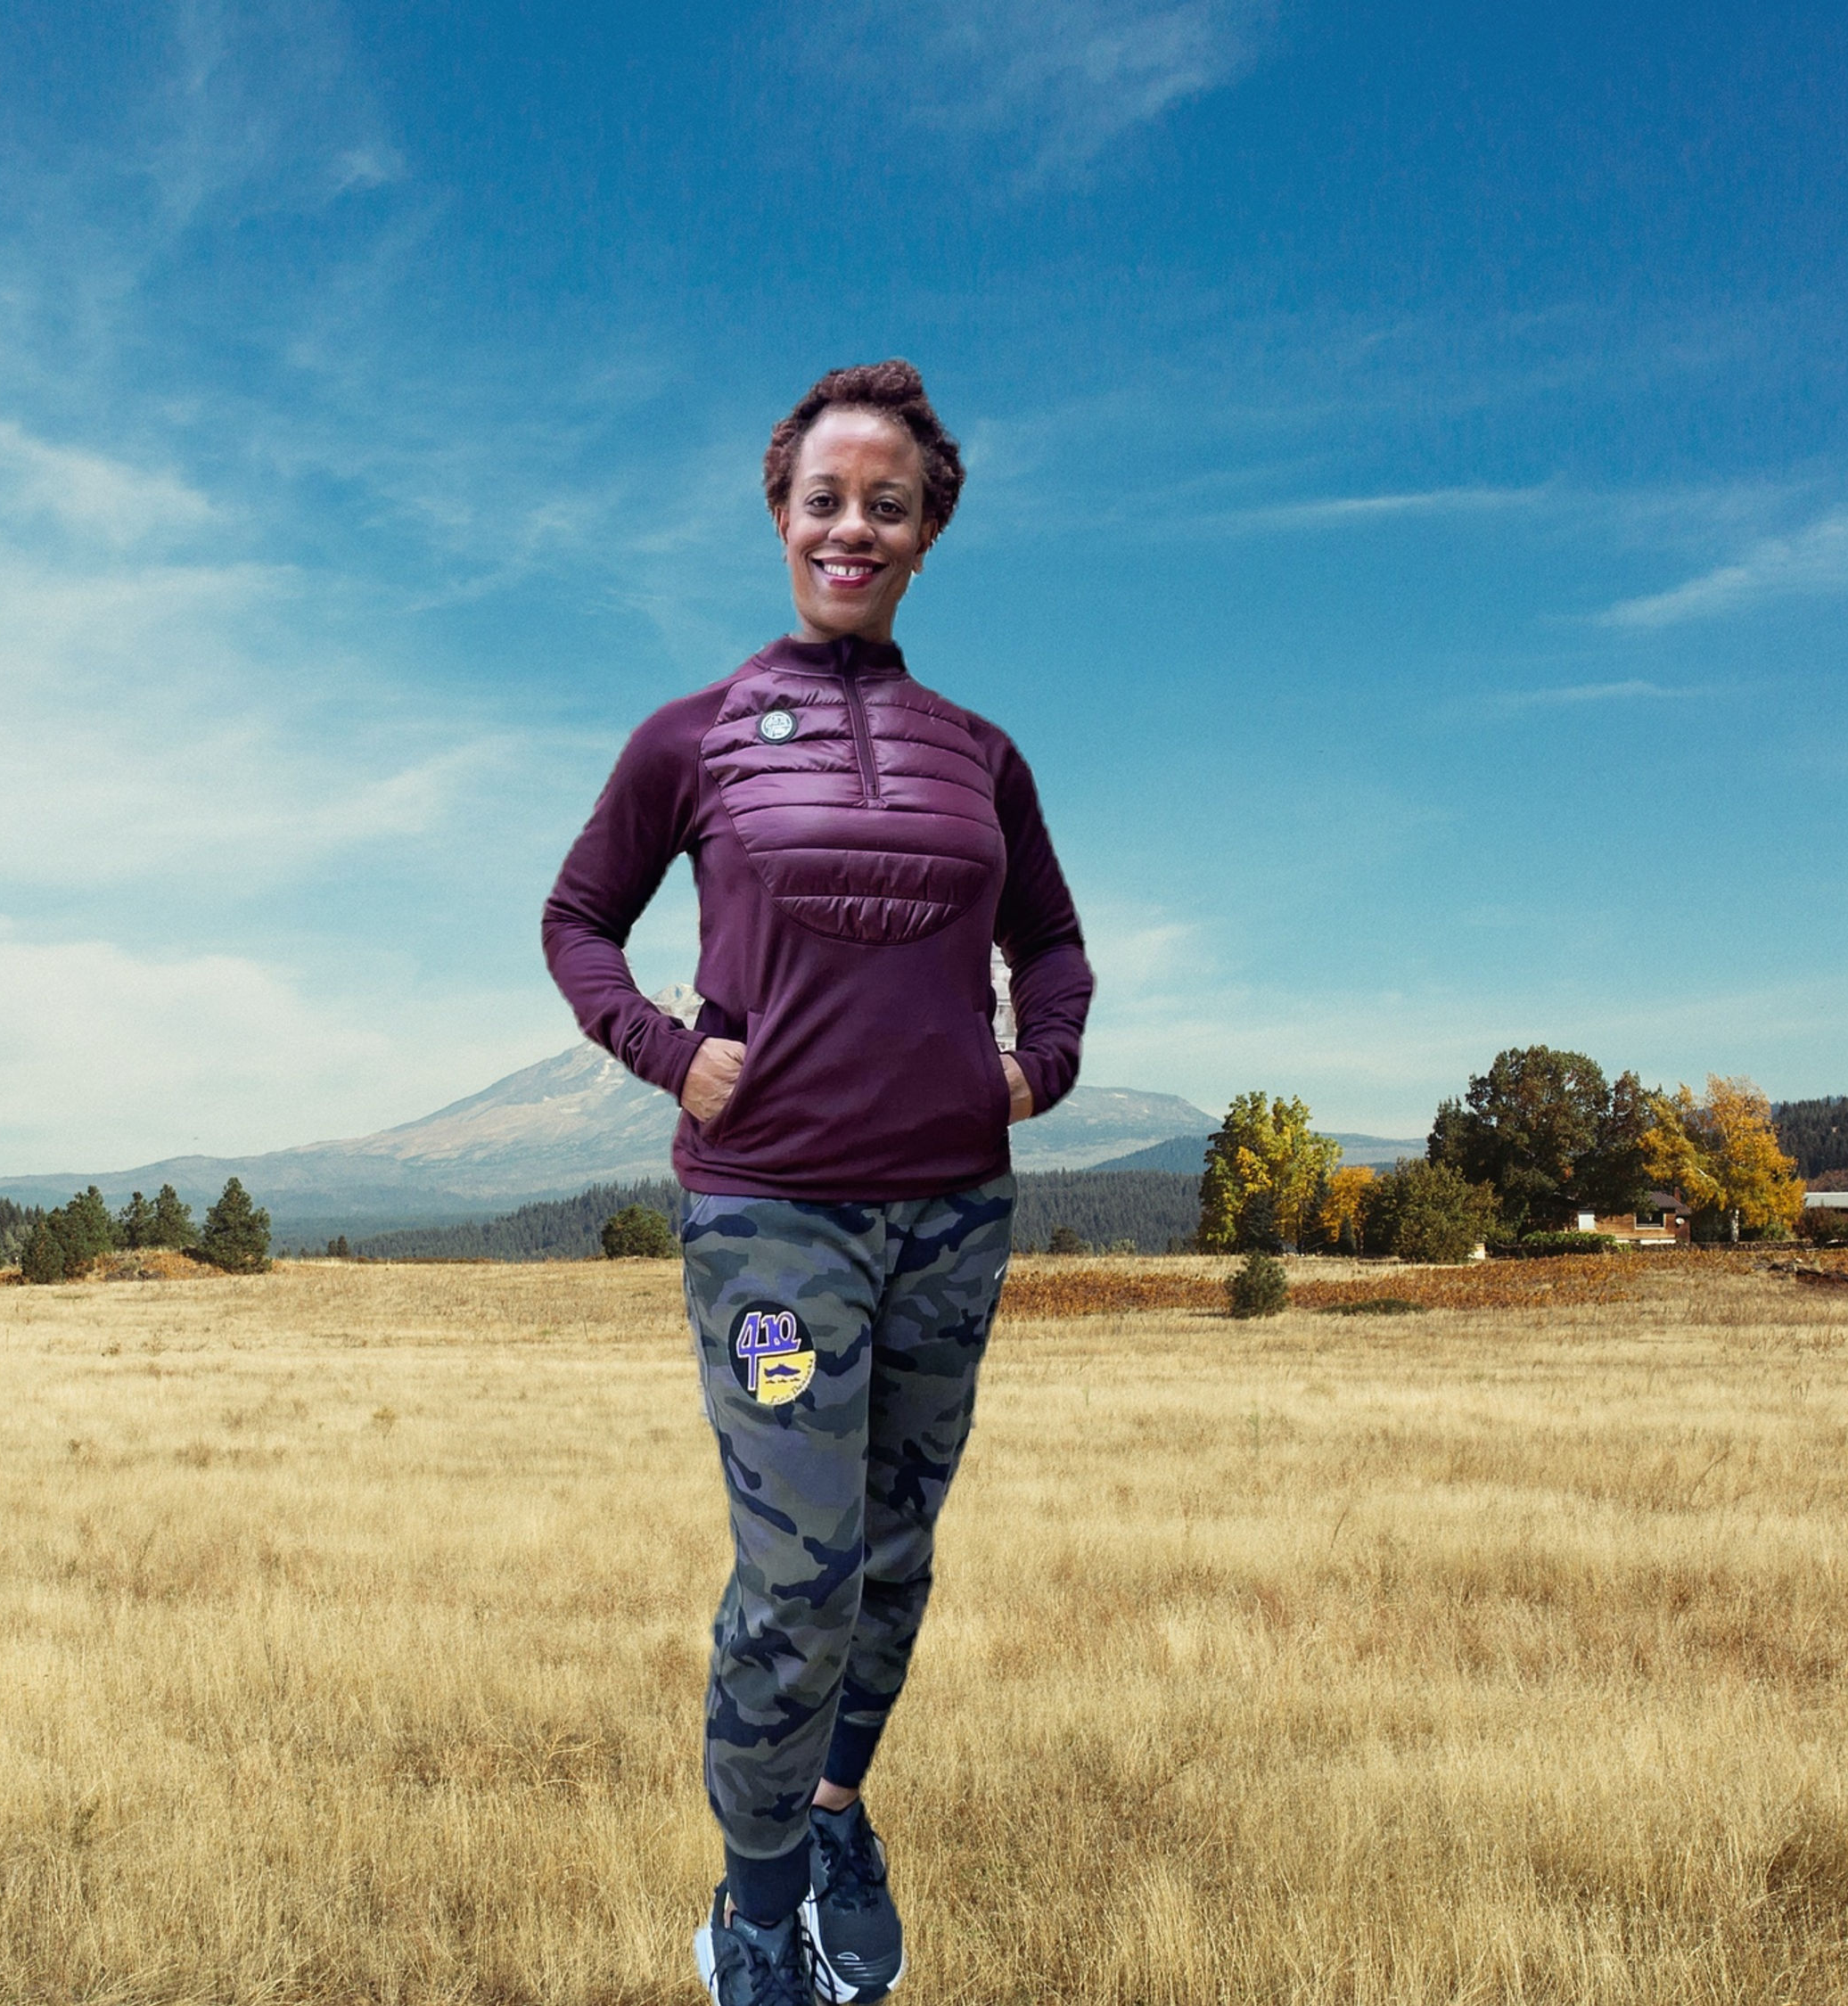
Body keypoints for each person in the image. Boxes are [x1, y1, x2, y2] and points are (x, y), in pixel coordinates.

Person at [541, 360, 1093, 2006]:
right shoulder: (694, 734)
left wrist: (1033, 1070)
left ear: (929, 531)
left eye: (889, 502)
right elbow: (578, 917)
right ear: (782, 516)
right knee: (802, 1569)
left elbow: (1050, 941)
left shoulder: (981, 754)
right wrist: (663, 1047)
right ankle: (756, 1898)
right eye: (825, 498)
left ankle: (837, 1811)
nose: (853, 524)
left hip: (950, 1212)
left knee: (901, 1551)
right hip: (771, 1212)